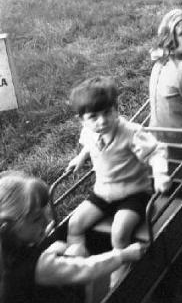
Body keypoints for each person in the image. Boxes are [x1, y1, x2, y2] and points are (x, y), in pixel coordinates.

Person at [66, 75, 170, 285]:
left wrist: (160, 174)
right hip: (103, 191)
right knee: (75, 224)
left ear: (116, 108)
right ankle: (79, 263)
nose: (102, 121)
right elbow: (90, 144)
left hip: (134, 193)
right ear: (82, 120)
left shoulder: (131, 133)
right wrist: (80, 157)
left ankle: (120, 266)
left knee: (119, 231)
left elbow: (156, 151)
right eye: (94, 116)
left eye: (107, 112)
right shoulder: (89, 132)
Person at [0, 171, 147, 303]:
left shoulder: (9, 251)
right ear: (7, 227)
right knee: (77, 251)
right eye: (36, 219)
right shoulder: (36, 266)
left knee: (61, 247)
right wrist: (123, 255)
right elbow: (86, 268)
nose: (46, 220)